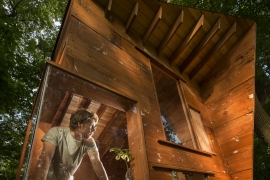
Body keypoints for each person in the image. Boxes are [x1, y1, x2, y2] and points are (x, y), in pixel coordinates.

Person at [34, 110, 108, 180]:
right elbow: (46, 157)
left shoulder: (89, 142)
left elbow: (96, 162)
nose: (94, 129)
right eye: (92, 126)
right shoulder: (56, 133)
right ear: (80, 124)